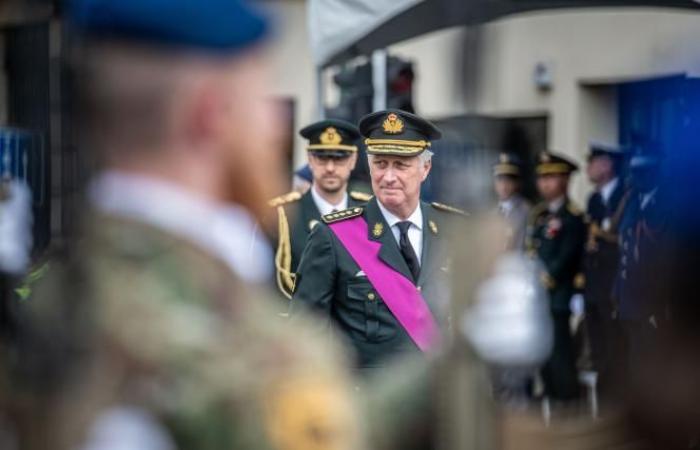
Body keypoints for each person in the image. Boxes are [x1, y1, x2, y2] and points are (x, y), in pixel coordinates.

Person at [11, 1, 364, 450]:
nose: (275, 127)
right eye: (262, 100)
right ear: (211, 113)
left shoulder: (44, 305)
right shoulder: (251, 354)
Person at [290, 109, 465, 372]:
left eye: (401, 165)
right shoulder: (334, 236)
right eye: (381, 164)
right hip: (368, 404)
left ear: (425, 168)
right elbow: (305, 334)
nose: (389, 177)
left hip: (442, 401)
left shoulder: (454, 230)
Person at [269, 120, 371, 299]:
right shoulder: (282, 215)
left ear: (353, 160)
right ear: (310, 159)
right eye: (322, 158)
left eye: (339, 158)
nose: (330, 168)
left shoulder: (370, 213)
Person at [526, 151, 586, 401]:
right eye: (542, 177)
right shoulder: (540, 215)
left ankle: (567, 405)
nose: (545, 183)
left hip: (558, 296)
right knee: (544, 358)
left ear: (565, 180)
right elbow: (531, 250)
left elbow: (565, 258)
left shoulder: (572, 216)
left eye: (552, 177)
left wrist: (542, 277)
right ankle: (551, 399)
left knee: (561, 356)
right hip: (538, 298)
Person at [615, 148, 669, 379]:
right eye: (634, 172)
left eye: (643, 172)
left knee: (654, 358)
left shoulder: (668, 205)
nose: (636, 178)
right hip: (630, 294)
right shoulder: (632, 202)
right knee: (634, 357)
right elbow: (625, 247)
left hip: (654, 298)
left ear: (655, 173)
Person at [581, 141, 626, 391]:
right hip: (594, 282)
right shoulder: (594, 199)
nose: (588, 167)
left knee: (615, 344)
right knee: (597, 343)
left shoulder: (625, 195)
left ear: (607, 164)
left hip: (616, 282)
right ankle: (603, 401)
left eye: (593, 162)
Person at [492, 152, 531, 251]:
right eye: (500, 179)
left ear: (517, 182)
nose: (504, 185)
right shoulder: (492, 212)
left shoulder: (526, 211)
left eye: (509, 180)